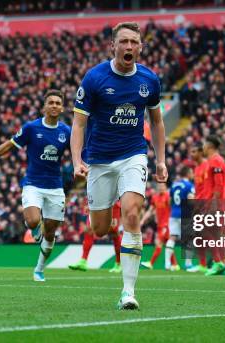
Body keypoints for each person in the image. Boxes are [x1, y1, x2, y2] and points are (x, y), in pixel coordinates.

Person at [71, 22, 167, 309]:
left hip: (133, 155)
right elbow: (78, 123)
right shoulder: (94, 78)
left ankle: (128, 291)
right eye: (123, 41)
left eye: (133, 42)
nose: (128, 47)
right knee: (100, 228)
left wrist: (160, 160)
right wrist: (77, 160)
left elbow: (157, 121)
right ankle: (104, 217)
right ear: (112, 46)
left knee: (132, 214)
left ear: (140, 47)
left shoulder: (149, 80)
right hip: (99, 160)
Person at [0, 90, 70, 282]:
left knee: (50, 232)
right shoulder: (31, 128)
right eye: (51, 103)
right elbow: (9, 145)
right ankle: (33, 228)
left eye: (58, 103)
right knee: (32, 221)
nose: (54, 105)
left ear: (62, 107)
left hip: (55, 187)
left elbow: (80, 151)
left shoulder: (66, 132)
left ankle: (39, 268)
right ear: (44, 107)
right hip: (33, 184)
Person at [201, 135, 225, 276]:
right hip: (213, 202)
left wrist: (213, 203)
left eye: (204, 144)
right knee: (216, 234)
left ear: (209, 146)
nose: (203, 148)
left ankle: (218, 262)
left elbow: (218, 184)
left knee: (205, 231)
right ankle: (222, 265)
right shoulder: (212, 161)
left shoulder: (216, 161)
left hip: (215, 203)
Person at [69, 201, 123, 273]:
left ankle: (118, 263)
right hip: (96, 203)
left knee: (114, 233)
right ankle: (83, 261)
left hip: (112, 203)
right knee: (89, 230)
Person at [140, 182, 176, 270]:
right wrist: (142, 220)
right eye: (159, 186)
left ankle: (151, 263)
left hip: (167, 224)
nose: (161, 188)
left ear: (166, 187)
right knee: (168, 244)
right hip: (160, 224)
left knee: (159, 242)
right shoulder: (155, 197)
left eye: (162, 186)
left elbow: (173, 208)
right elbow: (150, 210)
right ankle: (175, 265)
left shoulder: (168, 196)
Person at [186, 143, 209, 273]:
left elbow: (207, 188)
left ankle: (220, 261)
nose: (191, 154)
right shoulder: (197, 168)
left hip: (207, 204)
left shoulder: (206, 166)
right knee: (200, 235)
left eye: (194, 151)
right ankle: (203, 263)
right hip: (199, 205)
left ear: (201, 152)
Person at [166, 167, 195, 270]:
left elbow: (169, 200)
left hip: (174, 213)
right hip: (185, 214)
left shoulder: (174, 185)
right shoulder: (189, 185)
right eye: (192, 172)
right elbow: (191, 199)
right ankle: (188, 264)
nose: (193, 174)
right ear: (187, 173)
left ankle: (167, 264)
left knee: (172, 237)